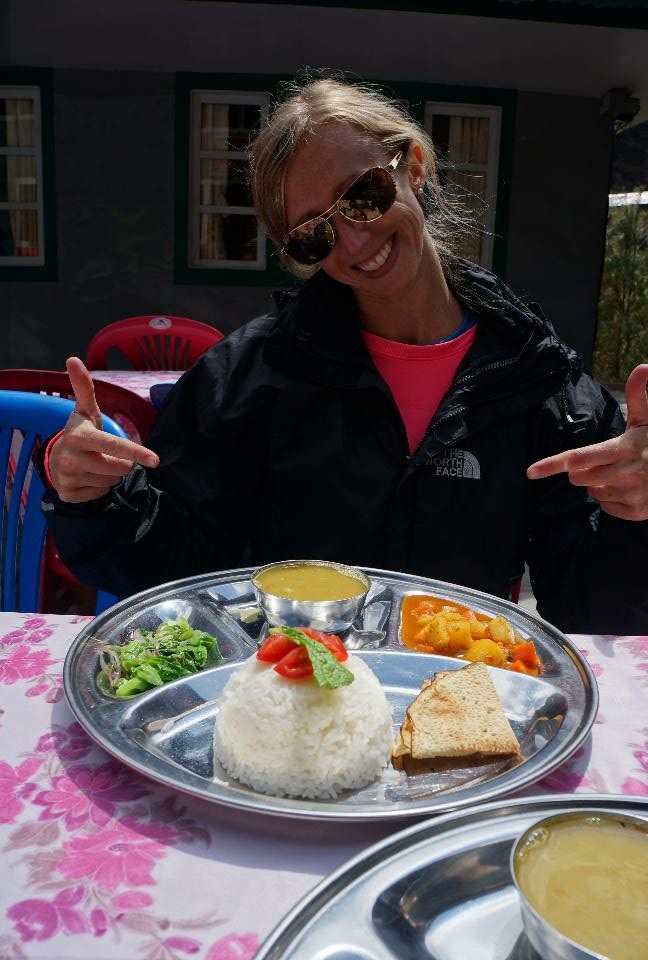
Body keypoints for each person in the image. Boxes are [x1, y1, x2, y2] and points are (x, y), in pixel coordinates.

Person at [42, 78, 648, 633]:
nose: (356, 242)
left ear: (413, 166)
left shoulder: (538, 380)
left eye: (363, 194)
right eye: (316, 233)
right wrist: (95, 499)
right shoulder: (250, 376)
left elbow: (588, 610)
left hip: (461, 706)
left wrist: (633, 518)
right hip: (296, 703)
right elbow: (181, 571)